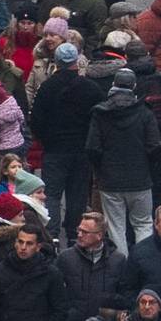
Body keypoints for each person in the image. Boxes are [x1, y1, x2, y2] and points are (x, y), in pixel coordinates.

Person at [32, 42, 108, 221]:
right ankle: (75, 234)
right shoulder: (90, 88)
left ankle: (52, 233)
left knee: (51, 194)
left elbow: (36, 120)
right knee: (78, 195)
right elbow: (101, 118)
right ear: (76, 60)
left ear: (56, 61)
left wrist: (45, 139)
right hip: (82, 150)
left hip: (54, 149)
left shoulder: (47, 87)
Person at [90, 72, 161, 250]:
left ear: (114, 85)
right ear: (134, 87)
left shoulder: (100, 113)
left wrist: (100, 170)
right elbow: (154, 146)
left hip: (110, 179)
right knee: (143, 223)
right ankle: (145, 264)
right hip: (140, 178)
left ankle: (121, 268)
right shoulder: (145, 113)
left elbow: (92, 147)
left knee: (116, 227)